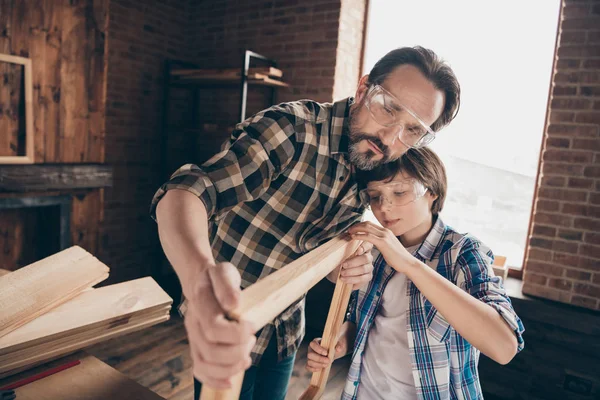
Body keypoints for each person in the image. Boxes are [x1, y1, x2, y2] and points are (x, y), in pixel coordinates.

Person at [150, 46, 461, 400]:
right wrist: (200, 284)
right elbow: (189, 192)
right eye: (388, 109)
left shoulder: (375, 167)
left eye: (412, 130)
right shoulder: (293, 130)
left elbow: (315, 248)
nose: (390, 138)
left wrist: (340, 267)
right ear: (363, 89)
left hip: (285, 334)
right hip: (227, 324)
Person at [306, 147, 525, 400]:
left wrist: (409, 264)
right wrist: (339, 343)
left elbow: (504, 347)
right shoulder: (374, 251)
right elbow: (362, 323)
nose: (385, 207)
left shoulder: (463, 252)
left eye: (399, 192)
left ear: (432, 191)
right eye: (375, 196)